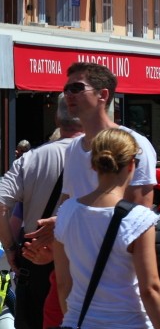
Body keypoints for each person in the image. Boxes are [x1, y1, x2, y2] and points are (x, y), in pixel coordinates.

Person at [23, 62, 159, 328]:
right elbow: (67, 207)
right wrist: (52, 241)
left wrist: (70, 228)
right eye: (66, 89)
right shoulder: (74, 149)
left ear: (103, 95)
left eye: (76, 88)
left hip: (114, 281)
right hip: (72, 273)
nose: (68, 95)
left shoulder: (135, 145)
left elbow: (138, 215)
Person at [53, 128, 160, 329]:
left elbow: (64, 284)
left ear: (92, 164)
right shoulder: (139, 219)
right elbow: (150, 289)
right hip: (128, 323)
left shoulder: (66, 212)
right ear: (132, 165)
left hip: (77, 322)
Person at [0, 95, 82, 329]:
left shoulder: (31, 159)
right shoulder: (98, 156)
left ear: (57, 117)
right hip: (82, 264)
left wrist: (11, 249)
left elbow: (1, 204)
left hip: (35, 261)